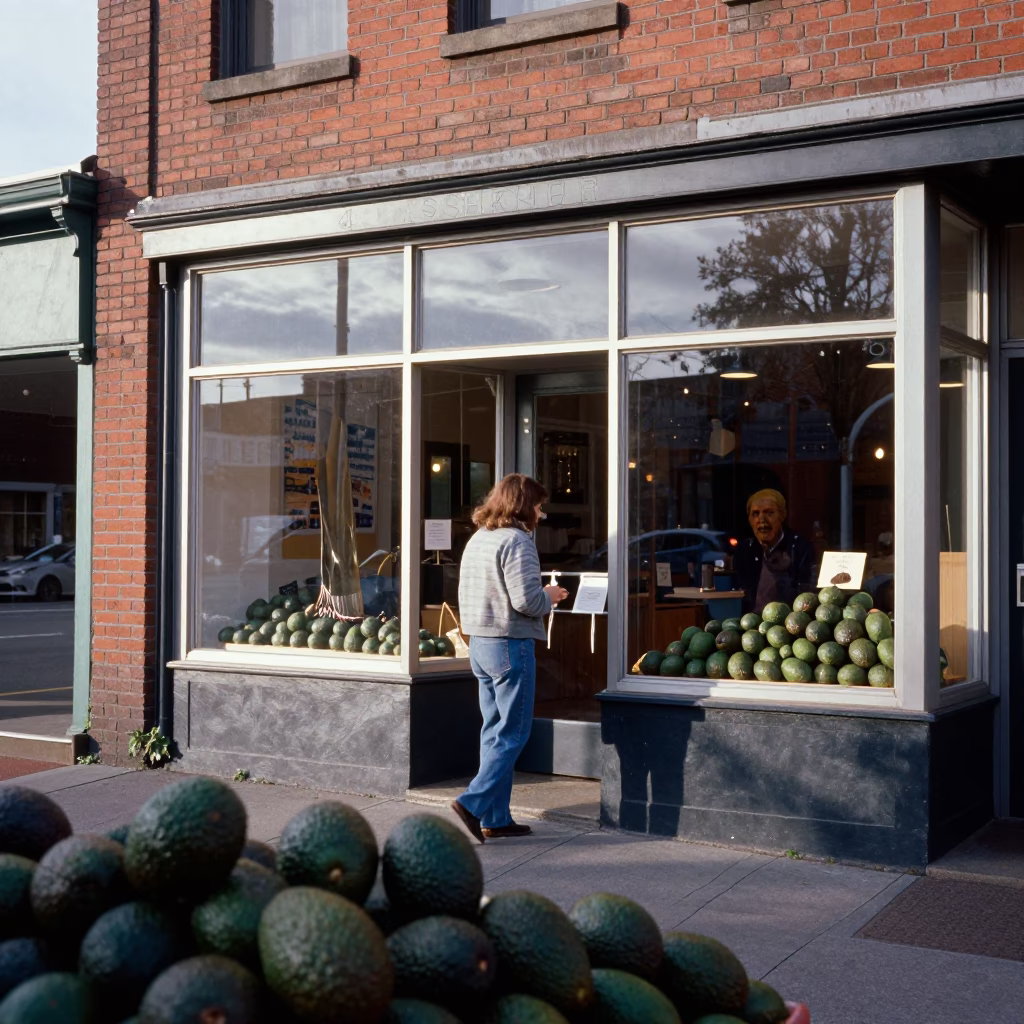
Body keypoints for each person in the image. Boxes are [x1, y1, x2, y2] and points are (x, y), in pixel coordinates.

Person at [450, 474, 568, 843]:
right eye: (537, 505)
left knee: (493, 730)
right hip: (509, 643)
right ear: (522, 505)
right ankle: (472, 802)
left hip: (480, 644)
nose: (540, 513)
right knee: (515, 732)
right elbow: (526, 601)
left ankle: (496, 818)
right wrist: (550, 595)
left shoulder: (479, 538)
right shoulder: (518, 540)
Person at [733, 488, 816, 615]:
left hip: (789, 622)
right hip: (750, 624)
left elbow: (807, 593)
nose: (762, 519)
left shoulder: (800, 548)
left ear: (782, 516)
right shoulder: (744, 550)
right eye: (755, 514)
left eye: (769, 513)